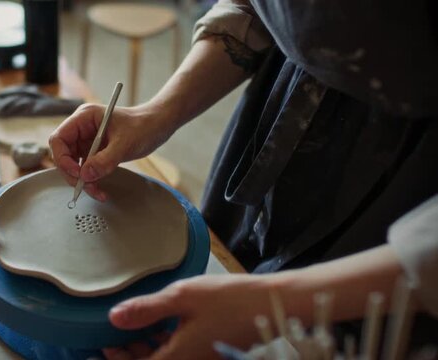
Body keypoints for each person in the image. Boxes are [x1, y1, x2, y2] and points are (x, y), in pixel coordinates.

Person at [49, 0, 438, 358]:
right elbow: (256, 7)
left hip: (406, 208)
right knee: (223, 268)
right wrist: (155, 114)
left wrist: (270, 304)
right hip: (284, 114)